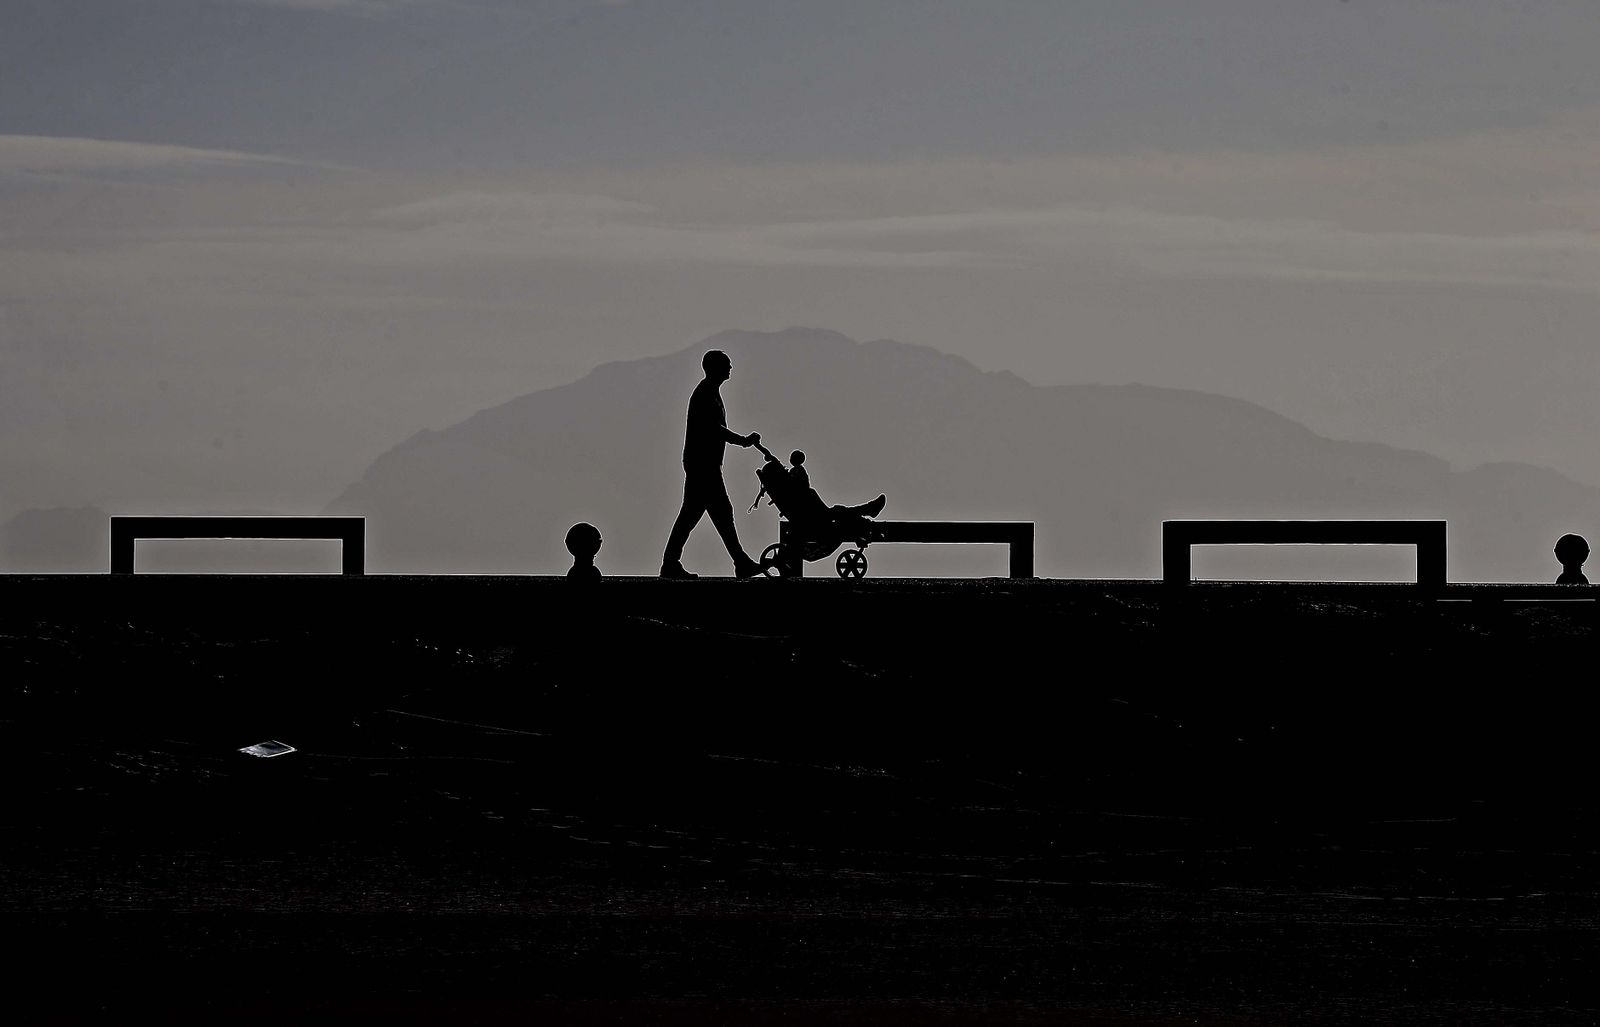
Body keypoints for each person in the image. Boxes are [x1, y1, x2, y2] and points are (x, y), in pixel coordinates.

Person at [661, 350, 765, 579]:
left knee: (697, 514)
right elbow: (714, 429)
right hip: (703, 465)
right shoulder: (705, 394)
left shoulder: (710, 393)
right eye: (726, 364)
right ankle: (740, 562)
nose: (730, 367)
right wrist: (743, 441)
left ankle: (672, 563)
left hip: (704, 464)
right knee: (718, 513)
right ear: (715, 367)